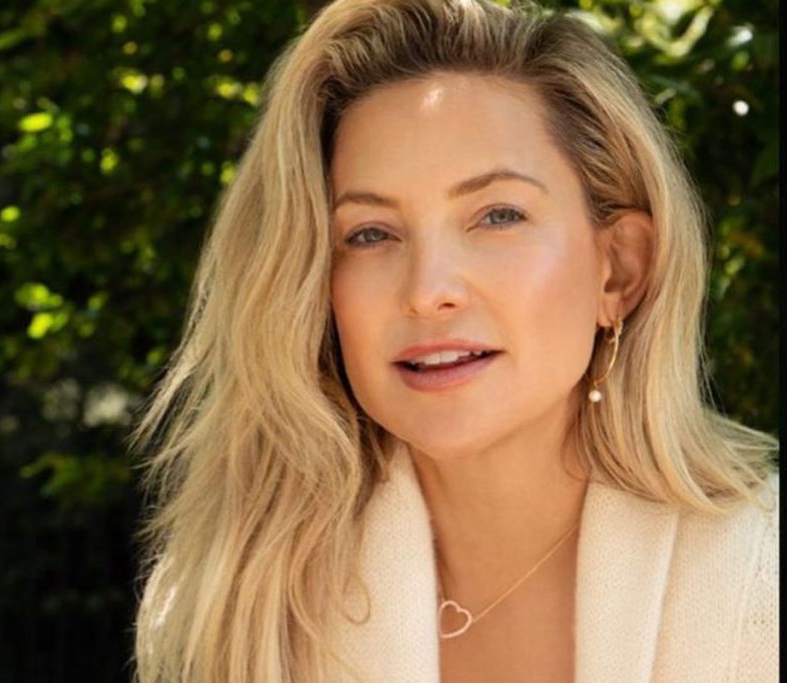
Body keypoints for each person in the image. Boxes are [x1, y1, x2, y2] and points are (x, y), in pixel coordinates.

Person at [130, 1, 779, 681]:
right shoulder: (224, 610)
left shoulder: (760, 585)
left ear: (618, 269)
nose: (427, 290)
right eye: (370, 233)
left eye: (498, 215)